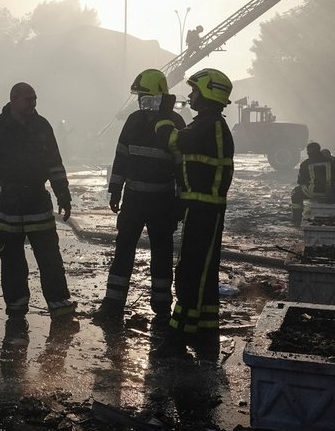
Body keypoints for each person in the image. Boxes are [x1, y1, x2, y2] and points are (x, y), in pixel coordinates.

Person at [0, 82, 76, 318]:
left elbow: (55, 165)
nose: (33, 104)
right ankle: (16, 306)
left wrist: (63, 194)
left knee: (50, 256)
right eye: (29, 99)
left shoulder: (42, 126)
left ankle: (59, 302)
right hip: (6, 205)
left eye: (35, 99)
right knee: (12, 259)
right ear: (14, 100)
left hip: (37, 201)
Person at [152, 68, 234, 361]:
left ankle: (178, 339)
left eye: (195, 91)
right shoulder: (208, 124)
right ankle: (205, 333)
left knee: (191, 275)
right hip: (200, 209)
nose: (190, 96)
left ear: (209, 93)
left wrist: (161, 114)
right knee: (202, 275)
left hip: (205, 211)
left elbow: (171, 140)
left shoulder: (208, 126)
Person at [93, 69, 185, 326]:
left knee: (162, 252)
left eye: (145, 96)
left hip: (162, 202)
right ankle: (112, 304)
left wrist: (180, 202)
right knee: (123, 250)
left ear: (158, 96)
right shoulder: (133, 121)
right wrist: (115, 189)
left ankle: (162, 307)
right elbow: (121, 156)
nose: (140, 101)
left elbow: (181, 167)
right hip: (133, 199)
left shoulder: (175, 123)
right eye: (140, 97)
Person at [290, 142, 332, 226]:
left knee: (295, 193)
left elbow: (300, 181)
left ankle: (296, 219)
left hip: (314, 191)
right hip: (331, 191)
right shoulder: (330, 161)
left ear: (309, 152)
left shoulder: (306, 164)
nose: (308, 153)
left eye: (308, 152)